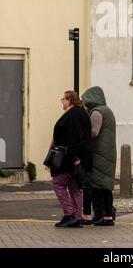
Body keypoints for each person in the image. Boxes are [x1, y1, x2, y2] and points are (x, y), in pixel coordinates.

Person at [48, 90, 92, 228]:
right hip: (76, 157)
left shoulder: (73, 114)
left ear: (69, 100)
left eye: (63, 99)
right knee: (75, 187)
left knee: (58, 183)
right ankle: (77, 217)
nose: (62, 102)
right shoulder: (81, 113)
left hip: (68, 158)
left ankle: (69, 214)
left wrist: (75, 157)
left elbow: (75, 136)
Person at [81, 86, 117, 226]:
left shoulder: (97, 112)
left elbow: (94, 132)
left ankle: (103, 216)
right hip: (106, 154)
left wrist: (82, 133)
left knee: (96, 186)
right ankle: (104, 216)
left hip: (99, 154)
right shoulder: (107, 111)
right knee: (104, 186)